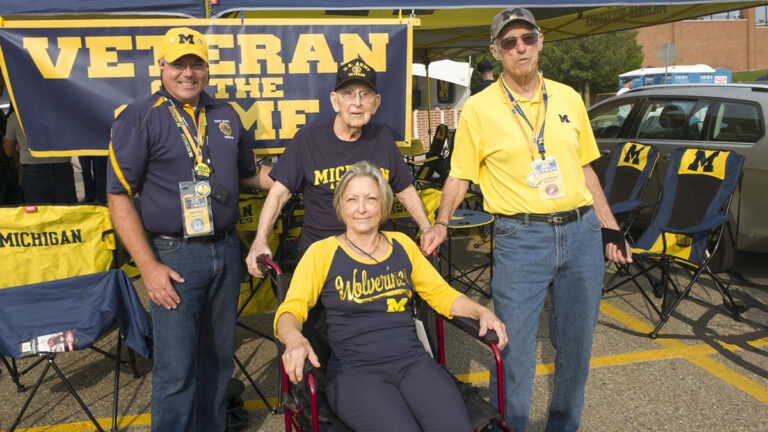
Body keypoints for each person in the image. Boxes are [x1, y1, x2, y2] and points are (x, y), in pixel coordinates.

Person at [421, 8, 631, 432]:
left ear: (540, 42)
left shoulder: (569, 97)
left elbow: (586, 168)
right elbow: (459, 174)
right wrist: (442, 221)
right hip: (521, 237)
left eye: (528, 39)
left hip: (581, 231)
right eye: (509, 42)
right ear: (496, 52)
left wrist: (609, 226)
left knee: (575, 348)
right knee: (512, 350)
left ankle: (563, 426)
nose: (521, 48)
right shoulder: (478, 109)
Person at [106, 27, 272, 432]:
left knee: (216, 365)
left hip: (227, 252)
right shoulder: (139, 116)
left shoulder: (226, 115)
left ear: (207, 69)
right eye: (178, 64)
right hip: (174, 257)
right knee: (177, 373)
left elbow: (251, 175)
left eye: (196, 63)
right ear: (160, 66)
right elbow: (118, 196)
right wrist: (147, 266)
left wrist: (303, 172)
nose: (187, 73)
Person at [276, 161, 508, 432]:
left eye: (371, 199)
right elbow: (289, 311)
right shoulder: (322, 253)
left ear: (384, 204)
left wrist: (480, 311)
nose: (361, 208)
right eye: (352, 199)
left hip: (413, 364)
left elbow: (441, 294)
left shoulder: (402, 245)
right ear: (341, 205)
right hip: (355, 374)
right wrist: (293, 339)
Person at [246, 57, 434, 276]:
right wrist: (260, 240)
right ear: (335, 101)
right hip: (323, 258)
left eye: (365, 95)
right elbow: (279, 194)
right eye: (348, 94)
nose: (357, 102)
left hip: (376, 254)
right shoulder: (308, 139)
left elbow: (405, 190)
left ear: (376, 103)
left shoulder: (382, 138)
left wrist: (427, 228)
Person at [4, 110, 76, 204]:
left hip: (33, 173)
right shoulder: (62, 112)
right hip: (62, 169)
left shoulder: (16, 117)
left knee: (39, 215)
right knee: (67, 214)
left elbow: (8, 151)